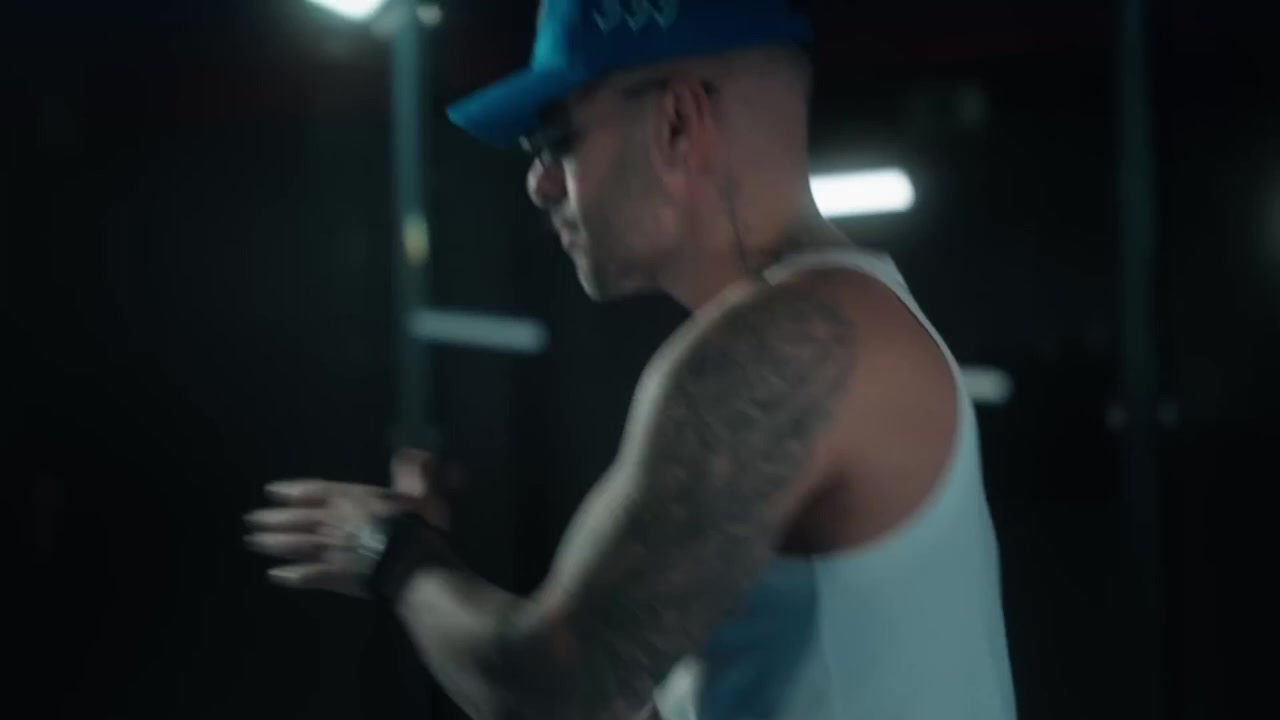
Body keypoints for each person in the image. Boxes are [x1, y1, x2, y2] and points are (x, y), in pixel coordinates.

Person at [244, 0, 1018, 718]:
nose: (539, 183)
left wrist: (393, 556)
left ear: (678, 121)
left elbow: (559, 694)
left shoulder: (784, 341)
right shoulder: (840, 319)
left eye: (560, 141)